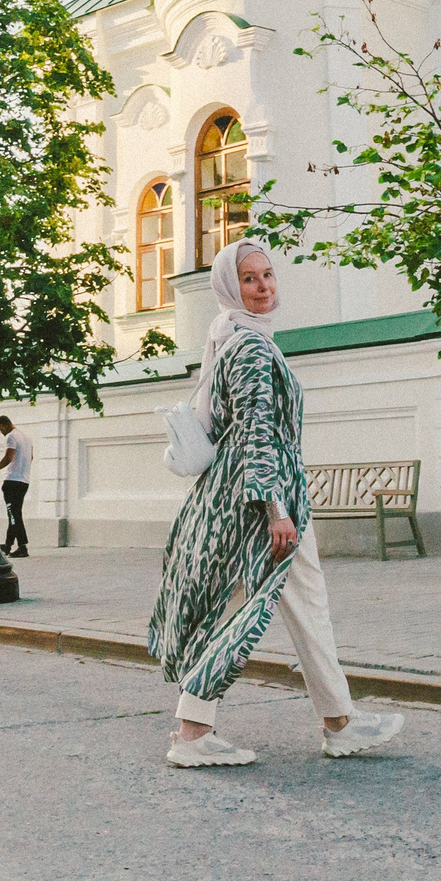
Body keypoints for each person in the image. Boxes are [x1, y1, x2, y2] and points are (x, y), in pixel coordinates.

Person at [146, 239, 404, 768]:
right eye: (249, 278)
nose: (262, 286)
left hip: (264, 497)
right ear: (229, 286)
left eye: (267, 275)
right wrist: (274, 510)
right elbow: (256, 431)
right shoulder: (249, 346)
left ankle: (340, 721)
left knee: (303, 608)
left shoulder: (238, 338)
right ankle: (193, 733)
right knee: (240, 610)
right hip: (261, 504)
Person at [0, 415, 34, 558]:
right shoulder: (26, 437)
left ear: (3, 425)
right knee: (14, 513)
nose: (1, 432)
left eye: (0, 429)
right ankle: (7, 546)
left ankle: (22, 546)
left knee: (13, 514)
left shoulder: (11, 437)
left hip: (12, 481)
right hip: (24, 481)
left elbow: (8, 457)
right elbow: (31, 457)